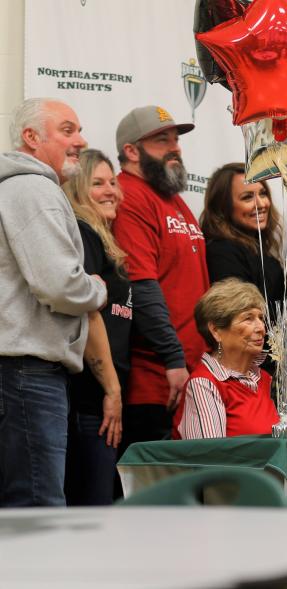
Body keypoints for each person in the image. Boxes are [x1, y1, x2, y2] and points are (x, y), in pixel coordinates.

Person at [0, 98, 107, 507]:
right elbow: (60, 285)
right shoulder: (33, 187)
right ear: (31, 137)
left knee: (23, 507)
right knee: (38, 509)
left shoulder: (19, 188)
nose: (80, 140)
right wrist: (95, 288)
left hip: (19, 374)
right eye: (67, 130)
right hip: (27, 373)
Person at [112, 105, 209, 447]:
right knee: (156, 493)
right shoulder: (128, 196)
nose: (175, 147)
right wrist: (172, 358)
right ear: (131, 150)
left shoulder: (175, 200)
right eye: (161, 140)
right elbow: (141, 286)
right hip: (155, 380)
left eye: (176, 139)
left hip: (189, 374)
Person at [61, 149, 133, 505]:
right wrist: (112, 391)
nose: (110, 191)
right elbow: (87, 315)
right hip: (91, 399)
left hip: (101, 399)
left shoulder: (102, 238)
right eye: (97, 183)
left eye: (113, 182)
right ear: (75, 191)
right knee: (93, 511)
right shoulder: (83, 233)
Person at [173, 279, 278, 439]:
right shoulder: (204, 384)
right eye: (248, 318)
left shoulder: (265, 380)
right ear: (216, 331)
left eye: (261, 318)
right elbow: (210, 458)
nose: (261, 328)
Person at [200, 162, 284, 321]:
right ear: (223, 206)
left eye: (263, 193)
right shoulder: (223, 252)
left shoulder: (260, 249)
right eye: (247, 197)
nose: (261, 204)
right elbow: (239, 320)